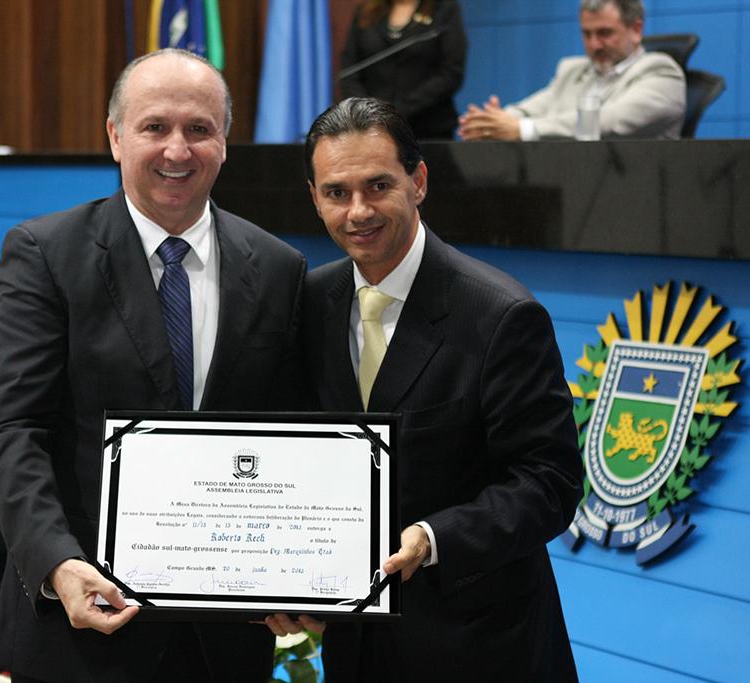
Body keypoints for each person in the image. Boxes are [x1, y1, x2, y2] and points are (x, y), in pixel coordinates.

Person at [0, 48, 306, 683]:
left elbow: (290, 436)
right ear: (115, 136)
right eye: (155, 126)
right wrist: (57, 563)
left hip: (224, 639)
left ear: (225, 143)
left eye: (199, 129)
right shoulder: (45, 254)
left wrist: (299, 571)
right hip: (79, 624)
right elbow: (9, 431)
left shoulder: (278, 268)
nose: (177, 150)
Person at [265, 97, 584, 680]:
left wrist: (434, 537)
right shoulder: (309, 303)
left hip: (481, 648)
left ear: (418, 182)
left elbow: (550, 483)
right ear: (314, 197)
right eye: (336, 192)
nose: (358, 211)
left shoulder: (501, 314)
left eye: (378, 185)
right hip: (358, 649)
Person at [458, 0, 685, 141]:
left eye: (605, 33)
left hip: (634, 188)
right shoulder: (573, 70)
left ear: (636, 29)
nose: (594, 45)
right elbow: (533, 108)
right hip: (569, 182)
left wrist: (524, 129)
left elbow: (609, 121)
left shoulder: (662, 73)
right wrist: (490, 124)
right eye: (587, 34)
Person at [340, 0, 466, 140]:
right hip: (370, 128)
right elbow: (349, 72)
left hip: (427, 128)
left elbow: (451, 72)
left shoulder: (443, 9)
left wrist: (395, 112)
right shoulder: (365, 12)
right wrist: (367, 112)